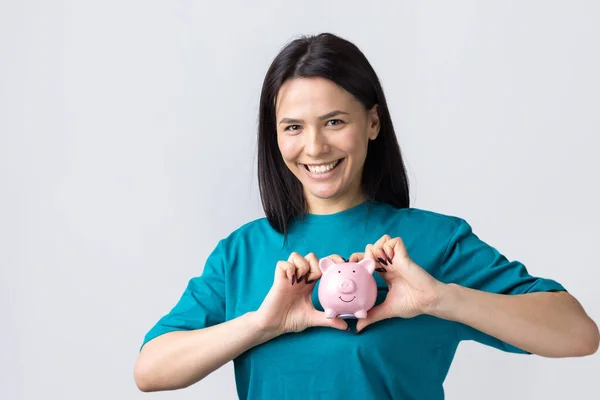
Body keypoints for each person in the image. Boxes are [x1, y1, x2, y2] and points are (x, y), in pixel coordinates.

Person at [133, 33, 599, 399]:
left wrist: (440, 300)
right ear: (275, 137)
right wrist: (263, 323)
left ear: (372, 123)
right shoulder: (243, 253)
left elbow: (578, 334)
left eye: (335, 121)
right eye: (293, 127)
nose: (314, 147)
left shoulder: (432, 244)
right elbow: (150, 370)